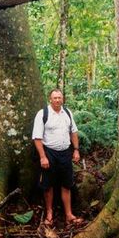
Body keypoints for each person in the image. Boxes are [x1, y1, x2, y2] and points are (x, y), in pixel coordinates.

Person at [32, 88, 83, 226]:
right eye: (55, 98)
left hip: (65, 153)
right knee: (48, 185)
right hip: (50, 153)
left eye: (59, 97)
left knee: (67, 184)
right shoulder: (43, 114)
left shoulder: (67, 113)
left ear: (62, 99)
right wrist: (43, 157)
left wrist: (76, 150)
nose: (57, 100)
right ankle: (49, 214)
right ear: (50, 99)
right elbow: (37, 138)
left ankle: (69, 215)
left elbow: (73, 132)